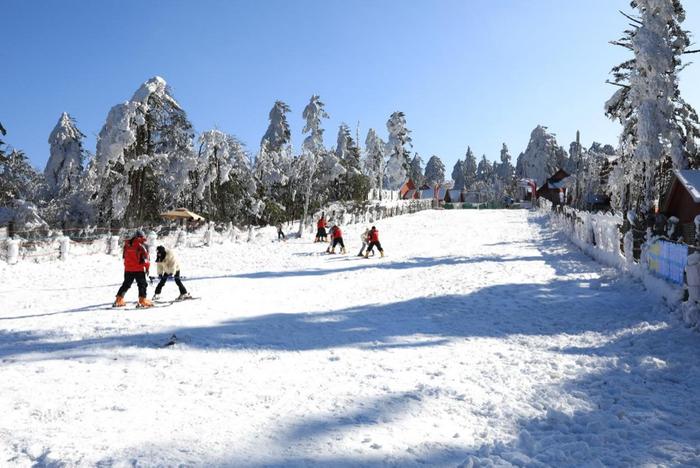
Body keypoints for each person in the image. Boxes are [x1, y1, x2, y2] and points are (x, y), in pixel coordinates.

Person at [113, 230, 153, 308]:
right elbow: (146, 259)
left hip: (128, 269)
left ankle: (118, 299)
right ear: (142, 236)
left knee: (126, 284)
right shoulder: (143, 245)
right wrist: (147, 268)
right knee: (142, 285)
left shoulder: (127, 244)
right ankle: (142, 300)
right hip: (138, 269)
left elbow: (124, 256)